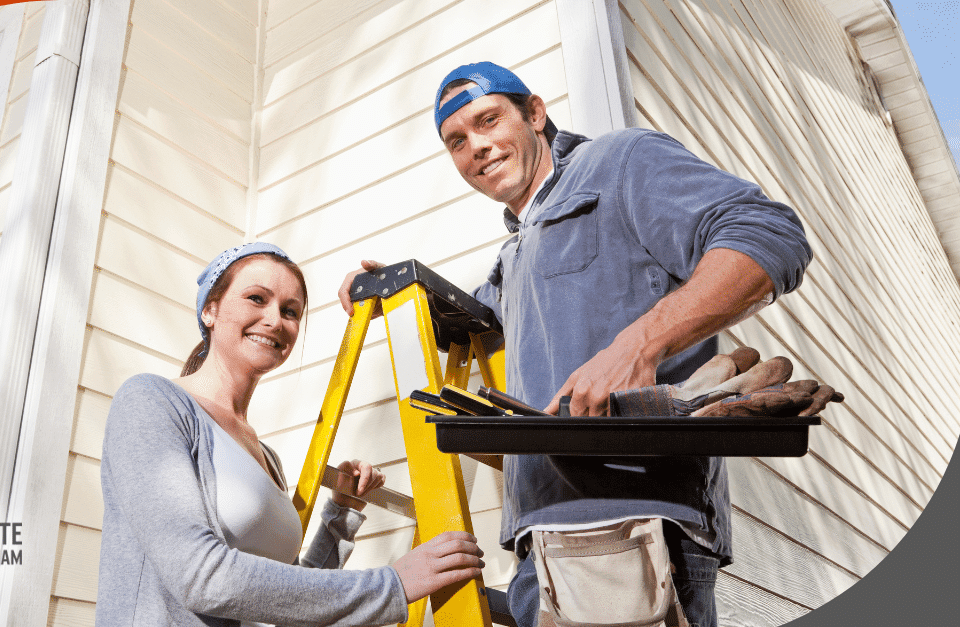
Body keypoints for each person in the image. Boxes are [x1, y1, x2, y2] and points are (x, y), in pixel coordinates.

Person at [338, 63, 813, 627]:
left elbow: (770, 234)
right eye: (457, 142)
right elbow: (472, 319)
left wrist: (638, 346)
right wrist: (393, 286)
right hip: (537, 536)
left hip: (633, 524)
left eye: (488, 121)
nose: (477, 148)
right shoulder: (514, 256)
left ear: (535, 114)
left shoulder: (617, 165)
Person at [96, 242, 485, 627]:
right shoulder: (152, 402)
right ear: (210, 310)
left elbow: (288, 608)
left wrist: (342, 513)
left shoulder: (266, 458)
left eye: (290, 311)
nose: (275, 320)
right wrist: (392, 585)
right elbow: (203, 577)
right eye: (255, 298)